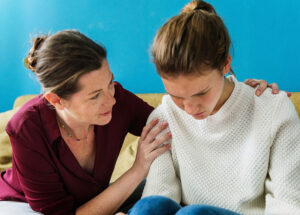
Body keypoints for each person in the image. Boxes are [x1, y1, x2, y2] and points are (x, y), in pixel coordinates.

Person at [0, 30, 280, 215]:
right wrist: (138, 169)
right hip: (26, 207)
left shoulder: (117, 100)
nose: (111, 100)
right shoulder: (26, 128)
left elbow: (179, 122)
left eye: (110, 83)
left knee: (155, 204)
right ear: (57, 100)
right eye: (95, 96)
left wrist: (238, 95)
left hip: (96, 199)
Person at [127, 1, 300, 215]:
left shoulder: (274, 110)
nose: (189, 109)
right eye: (176, 96)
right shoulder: (163, 117)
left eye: (201, 93)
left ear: (225, 64)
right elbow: (159, 194)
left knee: (192, 214)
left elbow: (288, 204)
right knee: (149, 207)